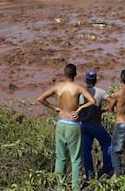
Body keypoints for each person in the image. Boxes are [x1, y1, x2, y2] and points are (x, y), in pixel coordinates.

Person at [37, 63, 95, 191]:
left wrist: (55, 108)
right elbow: (92, 101)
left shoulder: (58, 87)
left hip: (61, 123)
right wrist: (80, 108)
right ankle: (76, 187)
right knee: (75, 158)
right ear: (75, 74)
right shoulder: (77, 87)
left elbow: (41, 99)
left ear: (64, 73)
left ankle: (60, 186)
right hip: (73, 124)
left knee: (60, 157)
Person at [78, 69, 113, 181]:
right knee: (107, 142)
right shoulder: (101, 92)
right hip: (96, 124)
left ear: (85, 80)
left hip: (83, 124)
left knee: (86, 150)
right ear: (96, 80)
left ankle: (90, 174)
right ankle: (107, 169)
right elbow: (112, 101)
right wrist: (104, 110)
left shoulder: (80, 93)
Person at [104, 69, 125, 177]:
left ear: (121, 79)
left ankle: (118, 173)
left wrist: (104, 109)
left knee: (116, 150)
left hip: (121, 122)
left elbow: (110, 108)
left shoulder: (117, 94)